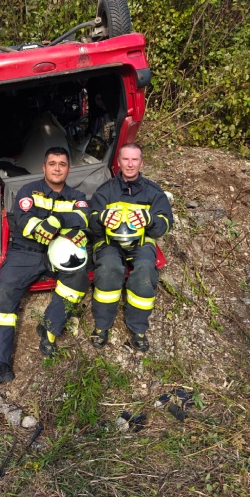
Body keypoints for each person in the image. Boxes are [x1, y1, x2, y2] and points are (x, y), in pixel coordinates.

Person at [0, 147, 91, 387]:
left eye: (62, 164)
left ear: (68, 169)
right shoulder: (28, 191)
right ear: (44, 168)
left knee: (78, 277)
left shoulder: (76, 195)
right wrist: (55, 225)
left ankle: (49, 328)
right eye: (52, 163)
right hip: (24, 253)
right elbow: (26, 222)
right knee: (5, 292)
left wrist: (57, 221)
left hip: (58, 251)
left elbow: (83, 218)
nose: (57, 168)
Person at [86, 143, 173, 351]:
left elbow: (165, 225)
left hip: (141, 243)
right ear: (118, 162)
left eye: (135, 160)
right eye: (125, 159)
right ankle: (102, 326)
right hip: (109, 243)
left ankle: (138, 328)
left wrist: (149, 220)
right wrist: (102, 219)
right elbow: (90, 222)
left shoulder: (153, 192)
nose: (130, 164)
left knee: (145, 272)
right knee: (108, 269)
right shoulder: (105, 191)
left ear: (142, 162)